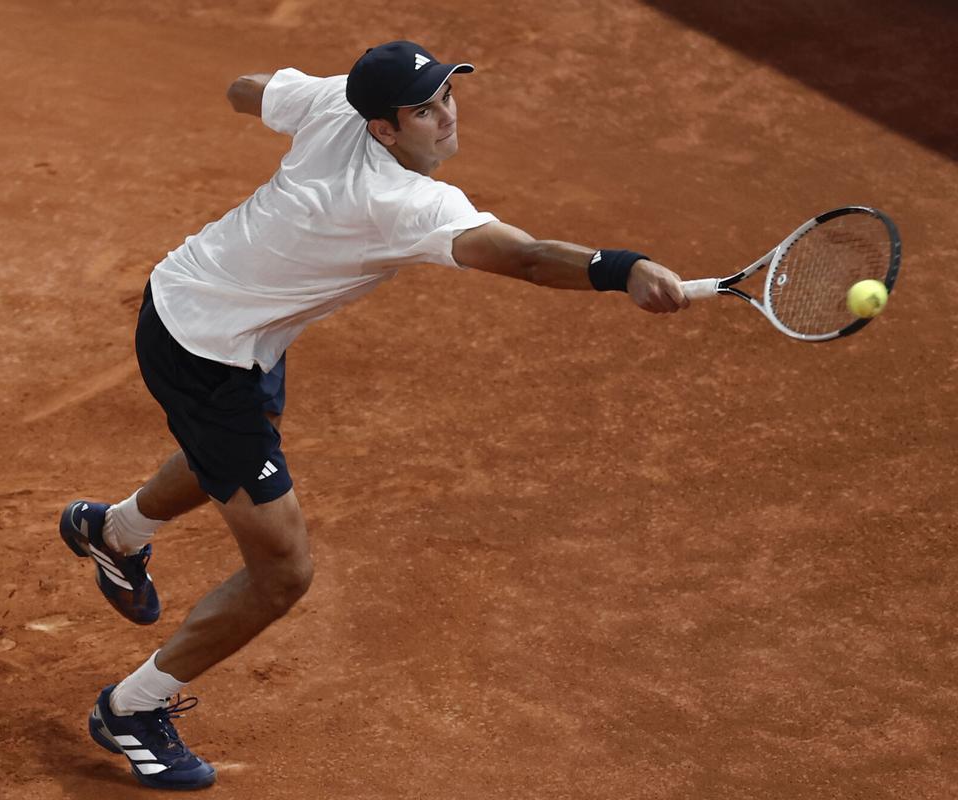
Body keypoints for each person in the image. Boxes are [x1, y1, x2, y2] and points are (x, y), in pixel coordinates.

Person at [58, 39, 690, 790]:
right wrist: (624, 268)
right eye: (424, 110)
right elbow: (524, 257)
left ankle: (114, 531)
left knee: (238, 453)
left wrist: (299, 106)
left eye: (447, 96)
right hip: (207, 356)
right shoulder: (404, 204)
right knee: (282, 573)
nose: (447, 117)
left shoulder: (338, 102)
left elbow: (243, 88)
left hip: (201, 301)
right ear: (385, 129)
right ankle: (130, 709)